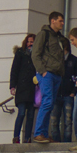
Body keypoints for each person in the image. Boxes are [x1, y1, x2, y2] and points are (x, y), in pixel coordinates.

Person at [29, 11, 66, 144]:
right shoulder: (43, 34)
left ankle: (44, 133)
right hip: (47, 73)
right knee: (47, 101)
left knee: (50, 104)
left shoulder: (58, 37)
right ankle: (39, 133)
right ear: (53, 21)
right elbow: (35, 54)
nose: (62, 23)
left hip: (56, 74)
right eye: (60, 21)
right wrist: (42, 71)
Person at [9, 34, 37, 144]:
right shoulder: (20, 53)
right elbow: (14, 70)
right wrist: (12, 86)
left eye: (32, 42)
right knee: (21, 113)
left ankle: (27, 138)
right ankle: (16, 137)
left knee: (30, 115)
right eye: (28, 42)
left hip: (32, 88)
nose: (30, 44)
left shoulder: (37, 54)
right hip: (22, 88)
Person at [57, 41, 77, 143]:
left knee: (68, 121)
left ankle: (66, 143)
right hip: (56, 94)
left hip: (68, 94)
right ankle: (56, 142)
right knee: (54, 121)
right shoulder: (55, 61)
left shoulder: (74, 61)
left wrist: (74, 91)